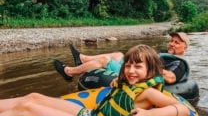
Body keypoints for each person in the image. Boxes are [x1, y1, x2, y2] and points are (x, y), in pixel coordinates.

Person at [0, 45, 189, 116]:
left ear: (151, 72)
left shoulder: (148, 93)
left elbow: (182, 109)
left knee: (27, 108)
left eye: (138, 67)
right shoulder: (128, 83)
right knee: (34, 96)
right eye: (128, 65)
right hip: (90, 114)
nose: (131, 70)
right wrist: (120, 83)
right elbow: (121, 93)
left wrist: (151, 115)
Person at [54, 32, 190, 84]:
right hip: (140, 68)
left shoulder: (179, 63)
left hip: (143, 73)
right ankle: (82, 59)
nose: (172, 44)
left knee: (105, 61)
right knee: (118, 55)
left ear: (185, 48)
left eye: (177, 42)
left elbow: (171, 77)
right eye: (171, 40)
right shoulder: (162, 53)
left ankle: (69, 72)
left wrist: (148, 67)